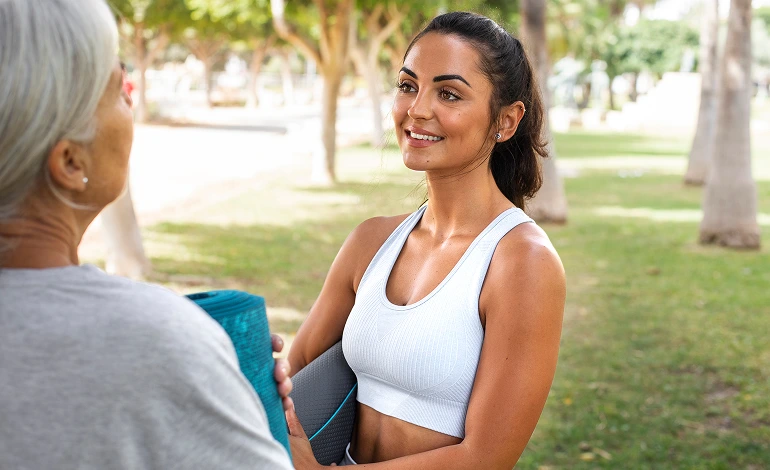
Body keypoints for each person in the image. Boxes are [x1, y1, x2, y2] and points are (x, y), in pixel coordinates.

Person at [0, 1, 294, 468]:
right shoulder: (157, 341)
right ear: (70, 162)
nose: (131, 104)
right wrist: (206, 376)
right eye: (119, 90)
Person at [284, 12, 566, 469]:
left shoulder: (520, 261)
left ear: (507, 120)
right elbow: (292, 372)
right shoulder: (371, 241)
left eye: (449, 93)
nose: (417, 109)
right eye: (408, 85)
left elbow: (486, 458)